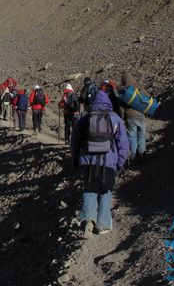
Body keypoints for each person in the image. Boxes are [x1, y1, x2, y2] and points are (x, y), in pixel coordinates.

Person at [71, 90, 129, 238]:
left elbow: (75, 141)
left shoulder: (84, 119)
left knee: (89, 190)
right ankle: (103, 225)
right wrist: (120, 163)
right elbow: (123, 143)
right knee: (105, 191)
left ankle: (88, 220)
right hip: (109, 162)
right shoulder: (115, 118)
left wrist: (76, 159)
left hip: (88, 161)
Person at [118, 71, 147, 165]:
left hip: (130, 117)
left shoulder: (123, 91)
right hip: (141, 115)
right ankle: (142, 154)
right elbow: (147, 98)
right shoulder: (140, 87)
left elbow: (121, 107)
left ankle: (134, 157)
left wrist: (122, 117)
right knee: (141, 135)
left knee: (132, 137)